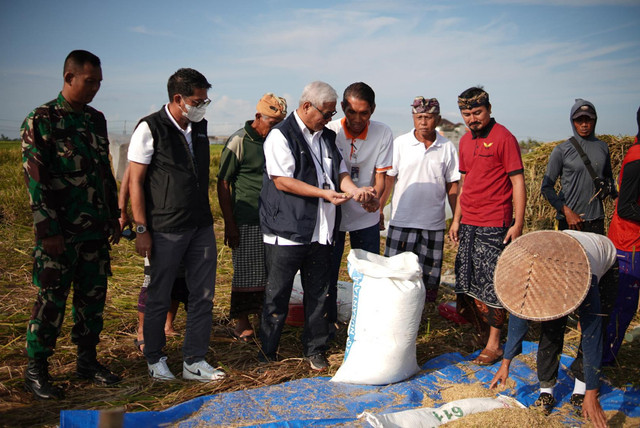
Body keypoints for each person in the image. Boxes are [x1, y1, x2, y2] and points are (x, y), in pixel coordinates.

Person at [21, 50, 121, 399]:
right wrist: (48, 231)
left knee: (91, 301)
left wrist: (113, 214)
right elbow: (37, 181)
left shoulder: (96, 120)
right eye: (89, 81)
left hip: (94, 232)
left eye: (98, 83)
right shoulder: (42, 119)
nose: (95, 88)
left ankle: (87, 361)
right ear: (68, 78)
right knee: (51, 302)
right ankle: (36, 370)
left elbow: (104, 173)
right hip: (59, 236)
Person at [258, 81, 377, 371]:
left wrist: (354, 191)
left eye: (331, 113)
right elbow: (282, 180)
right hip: (288, 232)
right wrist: (324, 193)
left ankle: (315, 349)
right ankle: (266, 354)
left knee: (320, 294)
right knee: (277, 296)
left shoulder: (326, 137)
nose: (329, 118)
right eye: (326, 113)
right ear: (307, 106)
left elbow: (341, 172)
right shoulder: (280, 135)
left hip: (323, 231)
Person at [127, 68, 223, 382]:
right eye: (198, 101)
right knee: (159, 293)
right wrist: (141, 229)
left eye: (205, 100)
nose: (202, 106)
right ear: (178, 99)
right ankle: (155, 358)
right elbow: (136, 182)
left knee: (203, 295)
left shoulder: (199, 127)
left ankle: (194, 360)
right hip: (165, 228)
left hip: (200, 226)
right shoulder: (150, 128)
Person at [490, 230, 616, 428]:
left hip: (601, 260)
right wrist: (506, 362)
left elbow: (594, 335)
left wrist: (592, 391)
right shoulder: (531, 272)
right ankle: (546, 392)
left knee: (590, 325)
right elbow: (519, 318)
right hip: (558, 260)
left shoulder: (585, 276)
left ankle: (581, 389)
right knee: (551, 326)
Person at [448, 87, 526, 365]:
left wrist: (518, 223)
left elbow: (518, 182)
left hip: (495, 223)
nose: (472, 119)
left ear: (489, 109)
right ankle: (481, 334)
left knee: (492, 284)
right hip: (468, 222)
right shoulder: (466, 141)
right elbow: (465, 183)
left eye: (477, 113)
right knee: (466, 280)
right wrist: (456, 219)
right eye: (467, 114)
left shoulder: (504, 138)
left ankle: (495, 344)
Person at [217, 93, 287, 342]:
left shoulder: (277, 141)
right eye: (271, 123)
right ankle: (242, 322)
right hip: (246, 216)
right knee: (247, 270)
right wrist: (230, 224)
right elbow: (223, 183)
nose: (275, 128)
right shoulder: (239, 140)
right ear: (258, 117)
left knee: (270, 271)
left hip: (274, 218)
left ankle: (263, 318)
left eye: (279, 123)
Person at [381, 97, 459, 304]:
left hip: (432, 223)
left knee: (429, 275)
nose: (423, 122)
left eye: (429, 117)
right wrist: (379, 208)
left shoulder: (447, 147)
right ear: (413, 118)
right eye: (419, 117)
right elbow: (389, 179)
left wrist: (457, 218)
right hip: (401, 221)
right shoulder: (400, 144)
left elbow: (453, 184)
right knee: (396, 272)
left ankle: (424, 312)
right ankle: (395, 308)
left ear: (438, 119)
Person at [326, 82, 393, 324]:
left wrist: (375, 200)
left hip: (366, 214)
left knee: (368, 272)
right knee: (328, 273)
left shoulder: (383, 132)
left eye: (363, 113)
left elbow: (381, 176)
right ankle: (329, 323)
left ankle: (366, 323)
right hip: (333, 213)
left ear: (373, 110)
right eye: (351, 111)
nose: (356, 118)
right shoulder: (330, 130)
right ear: (343, 107)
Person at [118, 165, 189, 353]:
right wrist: (123, 211)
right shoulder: (148, 137)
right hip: (157, 223)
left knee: (180, 276)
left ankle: (168, 324)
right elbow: (130, 176)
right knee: (153, 279)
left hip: (184, 221)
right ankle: (143, 331)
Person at [541, 98, 617, 234]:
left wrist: (617, 199)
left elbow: (608, 178)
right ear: (572, 122)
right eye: (579, 120)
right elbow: (546, 188)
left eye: (589, 120)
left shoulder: (603, 147)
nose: (584, 125)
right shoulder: (561, 150)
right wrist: (566, 211)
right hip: (570, 222)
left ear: (595, 121)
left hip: (596, 221)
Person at [603, 106, 640, 364]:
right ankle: (602, 360)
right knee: (623, 307)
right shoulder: (637, 157)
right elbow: (626, 206)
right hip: (630, 245)